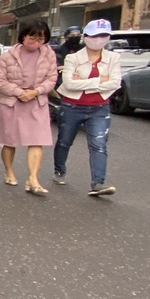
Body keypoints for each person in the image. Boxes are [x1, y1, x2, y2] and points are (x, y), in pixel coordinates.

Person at [0, 19, 58, 195]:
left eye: (41, 39)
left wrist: (36, 91)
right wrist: (19, 92)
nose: (36, 43)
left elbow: (52, 78)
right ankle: (9, 171)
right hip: (13, 102)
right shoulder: (8, 56)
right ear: (23, 36)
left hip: (36, 101)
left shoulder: (49, 55)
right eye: (32, 38)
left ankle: (33, 179)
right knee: (10, 141)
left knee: (36, 141)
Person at [52, 18, 122, 196]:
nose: (99, 39)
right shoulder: (72, 58)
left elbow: (115, 83)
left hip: (99, 108)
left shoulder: (113, 58)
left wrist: (83, 81)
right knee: (64, 141)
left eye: (104, 35)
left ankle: (98, 183)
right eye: (95, 35)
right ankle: (59, 170)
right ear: (86, 37)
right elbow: (69, 83)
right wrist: (100, 81)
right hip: (71, 106)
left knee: (99, 144)